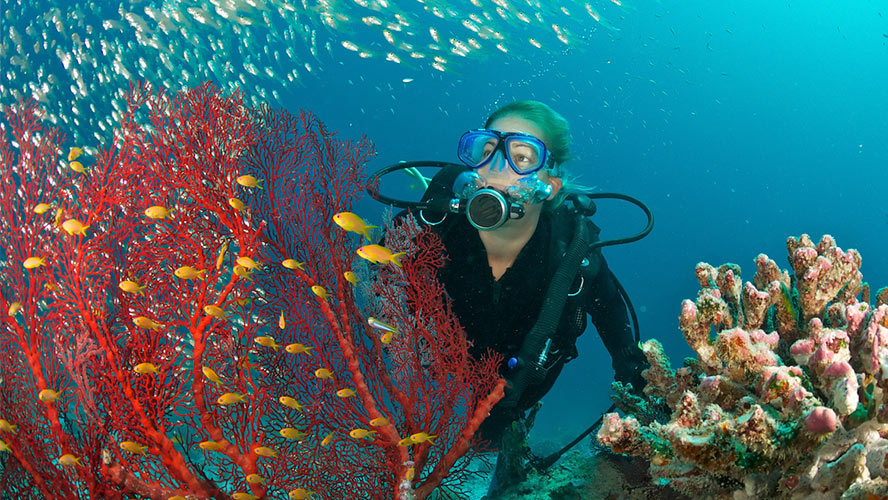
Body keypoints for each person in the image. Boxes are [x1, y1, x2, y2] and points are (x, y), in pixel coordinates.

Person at [410, 100, 648, 448]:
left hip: (520, 391)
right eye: (487, 149)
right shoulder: (435, 225)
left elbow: (614, 318)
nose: (495, 167)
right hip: (429, 387)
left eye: (521, 157)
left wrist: (640, 384)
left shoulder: (571, 252)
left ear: (549, 184)